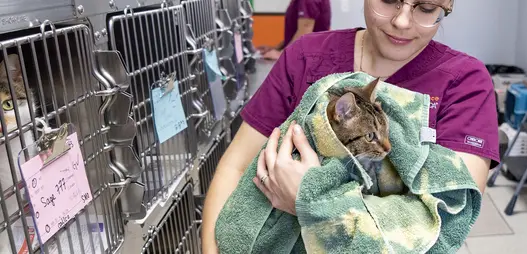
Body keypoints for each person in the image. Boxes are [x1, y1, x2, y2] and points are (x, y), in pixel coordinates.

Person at [201, 0, 499, 252]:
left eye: (426, 7)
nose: (402, 21)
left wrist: (309, 202)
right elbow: (236, 167)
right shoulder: (305, 58)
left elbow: (442, 222)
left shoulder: (465, 82)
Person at [260, 0, 332, 60]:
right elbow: (296, 32)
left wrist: (281, 54)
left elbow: (304, 33)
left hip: (309, 59)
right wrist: (277, 48)